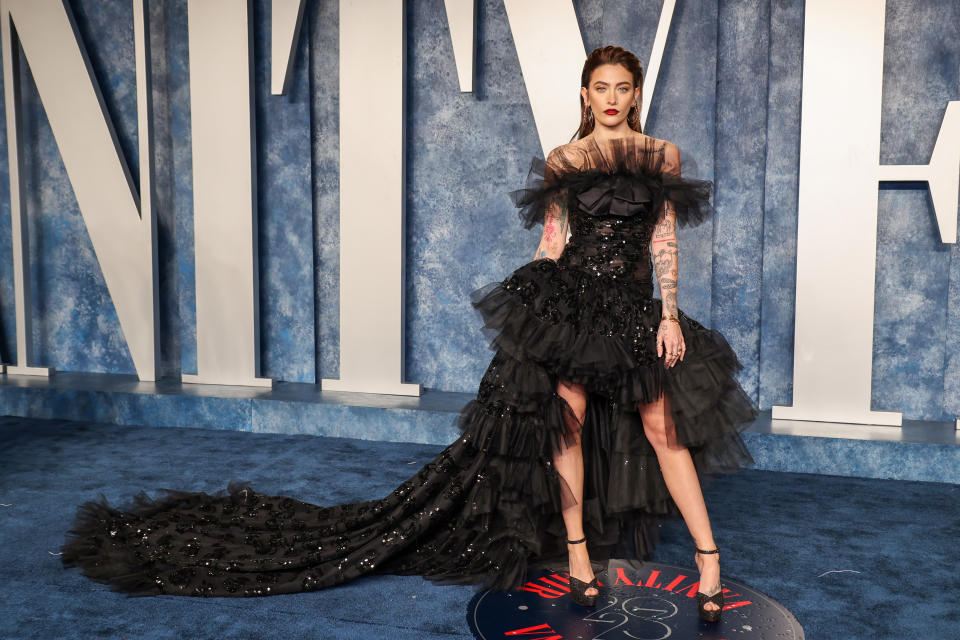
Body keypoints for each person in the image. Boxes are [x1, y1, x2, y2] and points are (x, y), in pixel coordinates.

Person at [60, 46, 757, 624]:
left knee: (663, 428)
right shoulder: (564, 160)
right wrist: (532, 314)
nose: (611, 97)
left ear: (636, 94)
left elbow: (665, 239)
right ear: (585, 95)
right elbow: (554, 240)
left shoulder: (660, 155)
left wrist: (669, 313)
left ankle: (708, 561)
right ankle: (577, 555)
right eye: (600, 87)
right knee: (565, 424)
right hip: (572, 301)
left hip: (631, 308)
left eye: (623, 87)